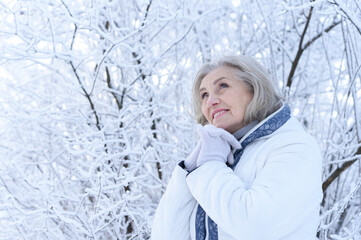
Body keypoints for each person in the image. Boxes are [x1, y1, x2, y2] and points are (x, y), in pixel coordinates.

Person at [151, 55, 323, 240]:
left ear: (254, 89)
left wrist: (209, 165)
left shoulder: (293, 146)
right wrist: (189, 172)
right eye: (204, 95)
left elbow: (256, 226)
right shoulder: (215, 162)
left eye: (223, 86)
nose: (210, 102)